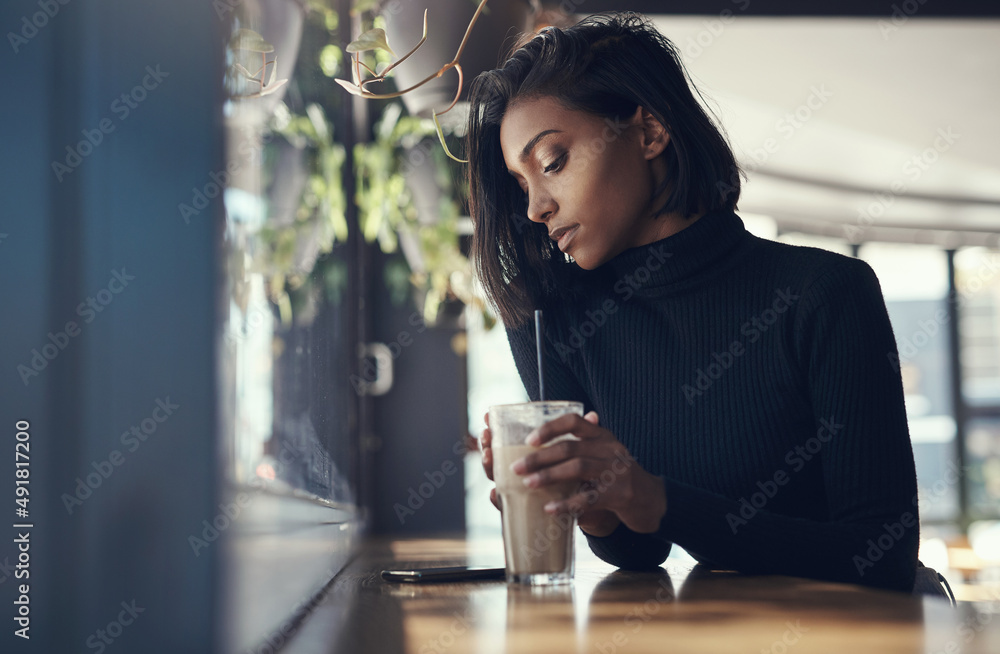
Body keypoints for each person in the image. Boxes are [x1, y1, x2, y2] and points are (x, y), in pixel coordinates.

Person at [466, 12, 926, 594]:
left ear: (649, 131)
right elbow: (636, 550)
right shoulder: (554, 319)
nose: (535, 207)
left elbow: (880, 554)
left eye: (552, 161)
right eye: (521, 183)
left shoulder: (827, 295)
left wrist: (652, 496)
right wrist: (591, 500)